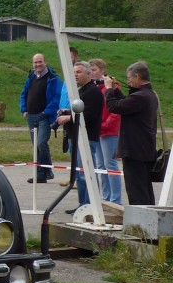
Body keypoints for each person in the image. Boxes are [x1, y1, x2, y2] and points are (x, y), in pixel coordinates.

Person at [105, 61, 159, 207]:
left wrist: (108, 89)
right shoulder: (148, 94)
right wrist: (116, 90)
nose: (128, 80)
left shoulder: (141, 96)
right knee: (144, 188)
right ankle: (148, 220)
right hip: (143, 149)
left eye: (129, 78)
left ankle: (140, 223)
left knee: (137, 191)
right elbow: (126, 103)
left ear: (137, 76)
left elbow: (114, 106)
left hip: (135, 150)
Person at [55, 61, 103, 211]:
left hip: (86, 139)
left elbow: (88, 115)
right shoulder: (81, 91)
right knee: (79, 174)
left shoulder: (93, 92)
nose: (75, 74)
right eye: (74, 72)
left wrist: (68, 118)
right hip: (75, 138)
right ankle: (83, 204)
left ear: (89, 74)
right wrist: (67, 112)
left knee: (85, 173)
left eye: (79, 72)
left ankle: (90, 205)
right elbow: (79, 111)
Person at [19, 53, 61, 183]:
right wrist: (24, 109)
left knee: (41, 143)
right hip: (31, 116)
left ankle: (46, 171)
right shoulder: (31, 77)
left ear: (45, 62)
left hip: (44, 117)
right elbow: (24, 93)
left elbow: (57, 98)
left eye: (40, 62)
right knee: (36, 145)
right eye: (35, 62)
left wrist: (46, 112)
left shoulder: (53, 78)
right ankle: (41, 174)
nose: (38, 65)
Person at [89, 58, 123, 204]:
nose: (92, 73)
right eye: (90, 71)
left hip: (110, 131)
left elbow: (116, 111)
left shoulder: (112, 86)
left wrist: (104, 125)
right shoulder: (94, 87)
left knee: (111, 164)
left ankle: (116, 199)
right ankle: (105, 196)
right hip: (99, 130)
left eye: (94, 70)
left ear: (102, 70)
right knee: (100, 165)